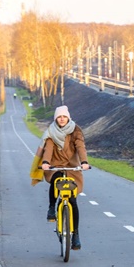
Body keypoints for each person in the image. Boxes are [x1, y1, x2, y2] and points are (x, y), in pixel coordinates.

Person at [39, 105, 90, 250]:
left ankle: (76, 235)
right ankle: (51, 208)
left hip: (72, 168)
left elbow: (80, 147)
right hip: (55, 166)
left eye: (64, 117)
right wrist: (46, 163)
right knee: (56, 179)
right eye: (59, 117)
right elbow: (48, 149)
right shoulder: (51, 132)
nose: (62, 119)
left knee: (72, 200)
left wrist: (84, 162)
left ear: (68, 117)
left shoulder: (76, 131)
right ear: (56, 119)